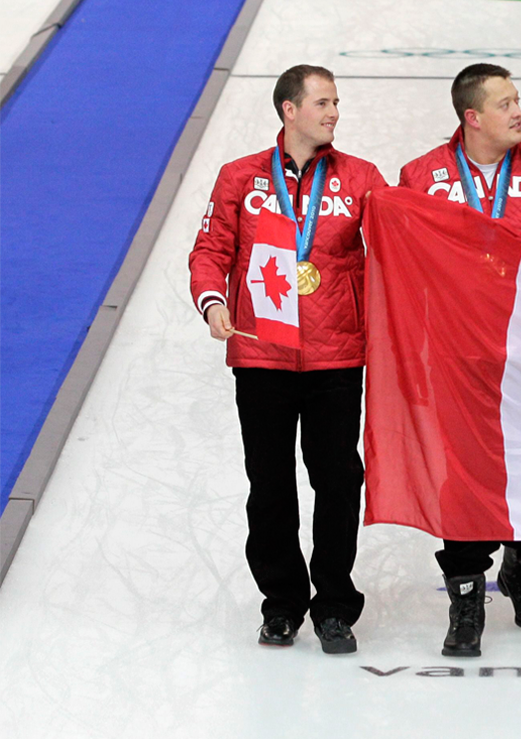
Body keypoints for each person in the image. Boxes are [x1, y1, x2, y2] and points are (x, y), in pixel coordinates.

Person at [189, 65, 387, 654]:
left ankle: (333, 605)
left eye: (336, 103)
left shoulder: (361, 178)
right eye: (322, 102)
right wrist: (213, 302)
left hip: (337, 354)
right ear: (289, 110)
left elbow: (403, 240)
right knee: (270, 485)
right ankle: (281, 604)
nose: (333, 112)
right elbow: (211, 247)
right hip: (261, 354)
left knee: (338, 480)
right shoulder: (240, 177)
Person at [397, 63, 521, 657]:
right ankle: (466, 593)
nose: (518, 112)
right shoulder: (421, 175)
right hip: (457, 353)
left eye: (519, 100)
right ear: (472, 117)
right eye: (505, 103)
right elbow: (403, 261)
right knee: (463, 473)